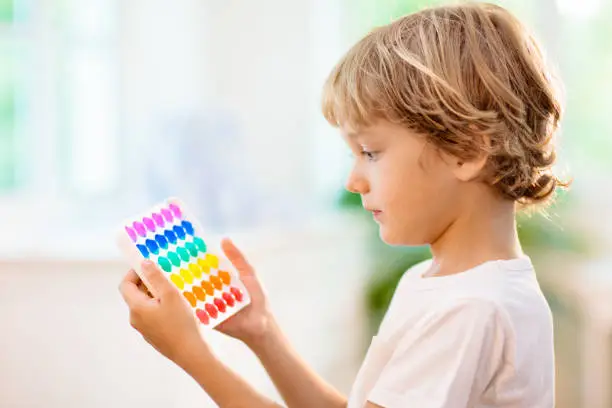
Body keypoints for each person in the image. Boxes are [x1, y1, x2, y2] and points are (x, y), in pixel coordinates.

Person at [119, 2, 566, 407]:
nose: (353, 181)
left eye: (370, 152)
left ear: (466, 151)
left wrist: (192, 355)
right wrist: (263, 333)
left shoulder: (470, 309)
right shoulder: (447, 285)